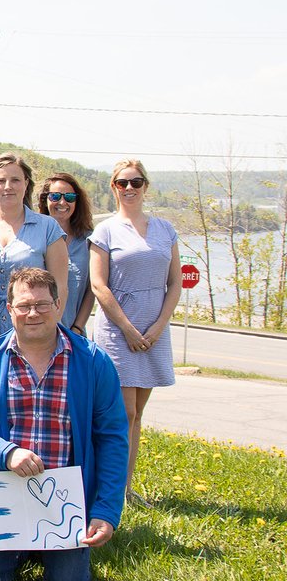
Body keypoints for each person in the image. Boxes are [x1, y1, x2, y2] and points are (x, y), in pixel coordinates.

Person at [0, 267, 128, 581]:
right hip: (5, 494)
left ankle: (47, 552)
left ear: (58, 306)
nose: (33, 313)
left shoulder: (92, 361)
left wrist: (106, 511)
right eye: (24, 306)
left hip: (66, 500)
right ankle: (23, 549)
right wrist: (6, 452)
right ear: (10, 309)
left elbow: (113, 439)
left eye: (42, 305)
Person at [89, 160, 180, 505]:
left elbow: (174, 283)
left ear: (145, 186)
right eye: (122, 183)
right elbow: (99, 285)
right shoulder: (105, 231)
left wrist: (158, 327)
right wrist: (127, 329)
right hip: (118, 332)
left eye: (136, 182)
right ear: (113, 187)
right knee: (122, 414)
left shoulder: (166, 230)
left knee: (138, 414)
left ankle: (126, 489)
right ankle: (108, 490)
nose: (129, 188)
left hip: (154, 332)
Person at [0, 153, 68, 345]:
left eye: (15, 180)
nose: (8, 186)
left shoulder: (48, 227)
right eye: (1, 181)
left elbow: (60, 286)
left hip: (33, 327)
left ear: (26, 184)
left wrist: (49, 331)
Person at [39, 172, 96, 334]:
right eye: (55, 196)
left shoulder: (89, 240)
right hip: (37, 332)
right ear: (45, 200)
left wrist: (77, 328)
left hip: (74, 333)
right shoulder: (35, 238)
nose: (62, 202)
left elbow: (92, 289)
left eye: (69, 197)